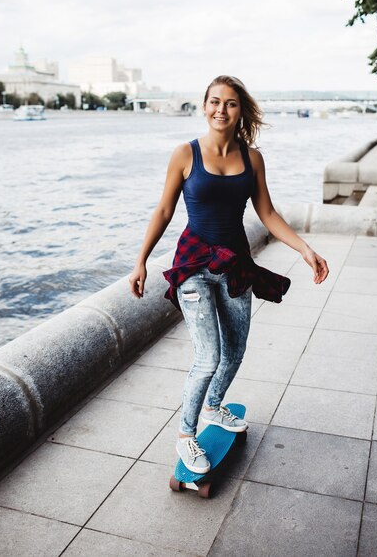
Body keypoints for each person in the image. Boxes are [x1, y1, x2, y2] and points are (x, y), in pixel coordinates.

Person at [129, 75, 329, 474]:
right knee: (209, 356)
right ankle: (186, 435)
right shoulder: (185, 154)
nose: (222, 109)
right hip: (193, 267)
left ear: (241, 110)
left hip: (235, 264)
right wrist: (142, 260)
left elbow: (267, 214)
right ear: (204, 107)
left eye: (231, 103)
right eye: (215, 101)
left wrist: (305, 249)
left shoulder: (252, 158)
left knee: (235, 352)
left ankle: (214, 407)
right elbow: (164, 211)